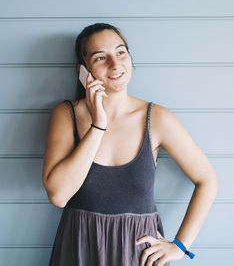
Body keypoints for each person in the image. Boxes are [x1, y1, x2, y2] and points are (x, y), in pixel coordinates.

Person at [42, 23, 219, 266]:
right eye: (100, 57)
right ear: (83, 71)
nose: (115, 64)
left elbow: (207, 180)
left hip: (138, 256)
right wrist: (98, 125)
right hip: (81, 248)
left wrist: (180, 245)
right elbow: (59, 196)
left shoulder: (157, 118)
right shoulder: (66, 114)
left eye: (121, 52)